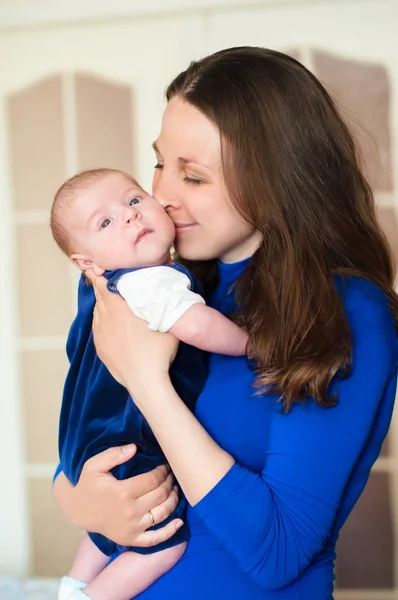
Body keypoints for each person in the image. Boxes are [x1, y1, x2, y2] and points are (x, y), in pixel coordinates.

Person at [53, 47, 398, 599]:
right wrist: (76, 499)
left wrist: (147, 380)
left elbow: (277, 552)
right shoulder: (152, 280)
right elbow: (89, 427)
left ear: (279, 178)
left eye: (194, 175)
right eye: (161, 162)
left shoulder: (342, 312)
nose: (160, 195)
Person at [50, 169, 248, 600]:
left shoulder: (98, 288)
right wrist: (254, 345)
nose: (128, 218)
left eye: (134, 200)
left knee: (106, 524)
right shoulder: (152, 280)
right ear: (87, 262)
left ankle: (71, 585)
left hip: (85, 438)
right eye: (104, 223)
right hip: (129, 435)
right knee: (160, 545)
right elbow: (197, 325)